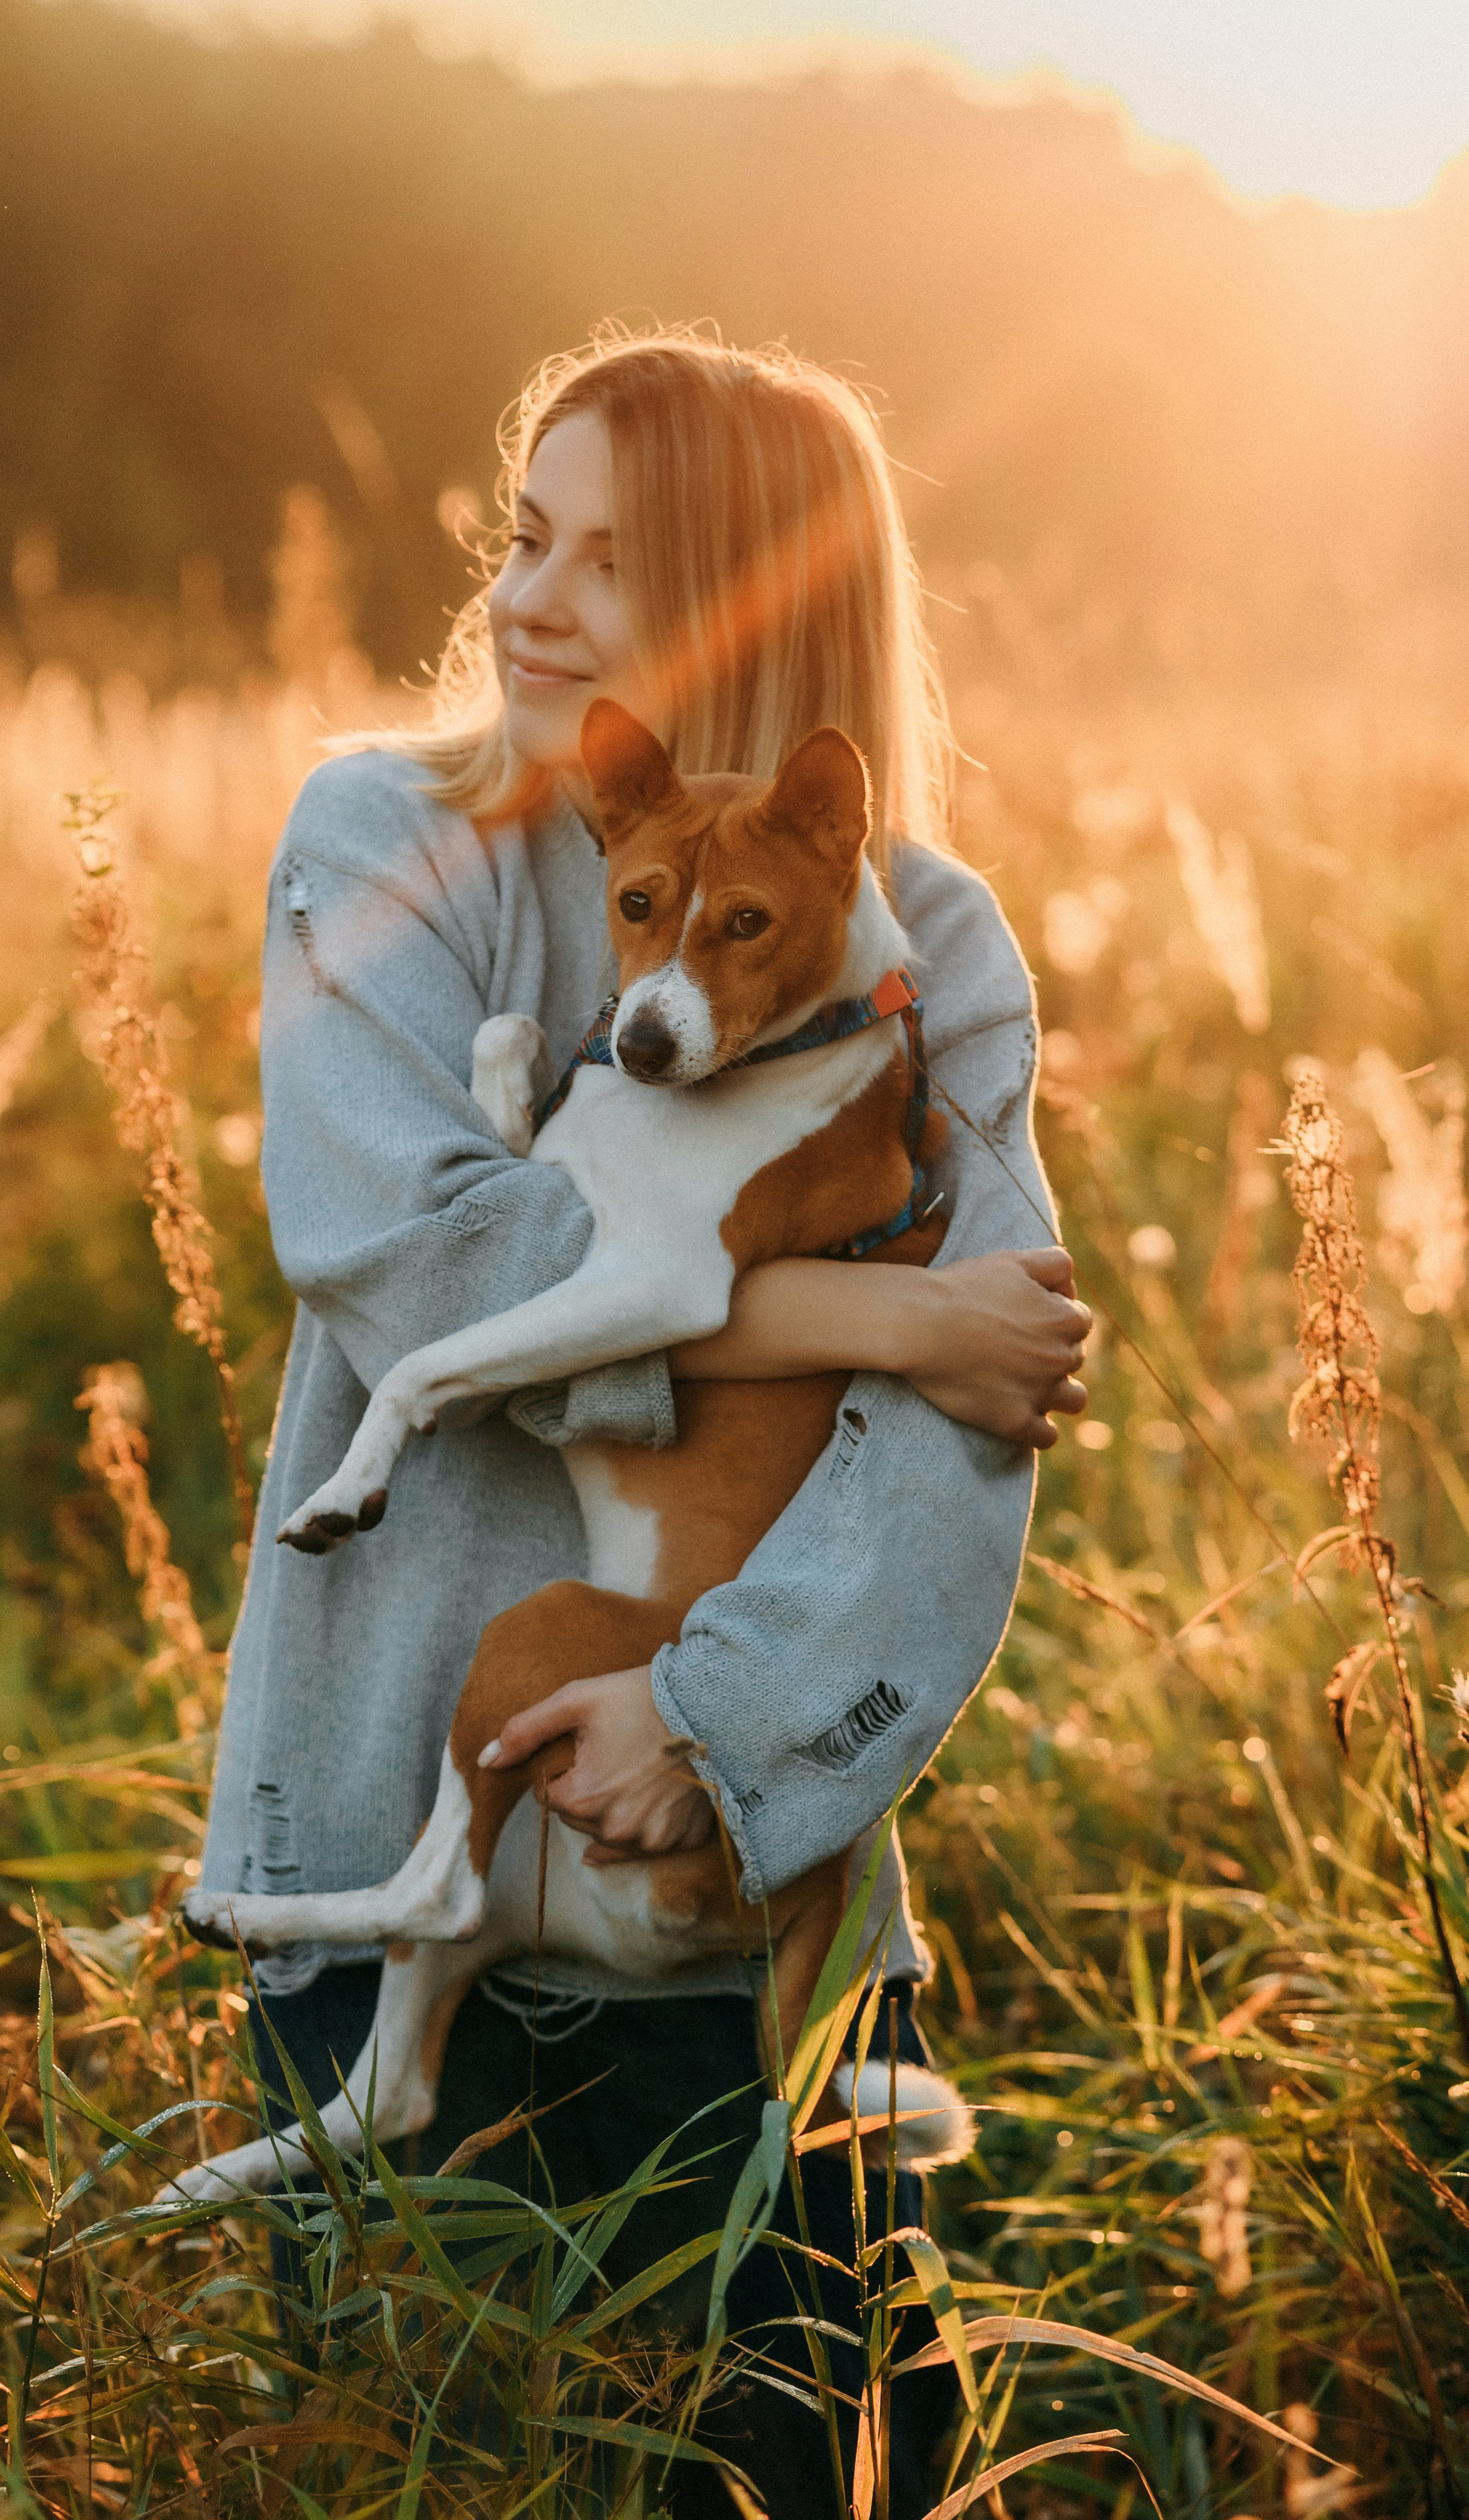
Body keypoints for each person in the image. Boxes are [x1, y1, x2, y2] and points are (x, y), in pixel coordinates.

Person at [198, 325, 1089, 2515]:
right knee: (424, 2463)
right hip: (399, 1851)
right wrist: (867, 1317)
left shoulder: (933, 945)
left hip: (749, 1890)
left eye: (612, 559)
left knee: (796, 2466)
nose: (527, 599)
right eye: (526, 536)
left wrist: (718, 1719)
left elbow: (983, 1410)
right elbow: (413, 1255)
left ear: (759, 598)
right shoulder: (379, 841)